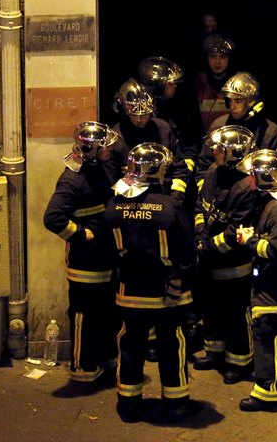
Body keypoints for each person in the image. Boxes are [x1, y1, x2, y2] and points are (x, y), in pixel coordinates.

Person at [102, 143, 198, 423]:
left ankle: (128, 406)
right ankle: (177, 404)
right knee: (173, 345)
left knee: (131, 346)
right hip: (168, 291)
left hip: (130, 290)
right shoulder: (170, 207)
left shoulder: (113, 206)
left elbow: (107, 250)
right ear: (159, 171)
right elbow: (187, 251)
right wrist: (183, 277)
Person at [42, 121, 120, 384]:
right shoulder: (71, 180)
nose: (111, 149)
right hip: (85, 263)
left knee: (107, 311)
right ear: (94, 151)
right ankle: (81, 367)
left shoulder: (101, 169)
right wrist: (81, 235)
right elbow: (52, 218)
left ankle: (107, 360)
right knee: (83, 314)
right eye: (105, 147)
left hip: (107, 257)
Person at [235, 149, 277, 412]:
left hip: (276, 288)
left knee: (268, 334)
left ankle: (267, 392)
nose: (249, 179)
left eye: (252, 174)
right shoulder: (273, 203)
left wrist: (248, 241)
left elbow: (276, 250)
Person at [192, 125, 257, 385]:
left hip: (234, 263)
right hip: (208, 257)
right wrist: (199, 235)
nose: (214, 151)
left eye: (220, 149)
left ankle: (240, 360)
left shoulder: (248, 185)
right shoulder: (212, 173)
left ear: (234, 153)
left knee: (236, 312)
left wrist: (208, 246)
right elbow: (201, 206)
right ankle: (215, 352)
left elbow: (237, 230)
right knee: (212, 307)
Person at [195, 72, 277, 189]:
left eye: (238, 101)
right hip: (221, 197)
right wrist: (206, 192)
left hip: (256, 199)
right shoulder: (219, 127)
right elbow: (203, 166)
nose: (232, 106)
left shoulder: (271, 132)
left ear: (252, 102)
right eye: (230, 101)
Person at [109, 78, 190, 202]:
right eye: (135, 115)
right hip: (130, 202)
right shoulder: (116, 137)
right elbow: (111, 177)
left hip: (164, 197)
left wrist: (176, 198)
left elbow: (179, 168)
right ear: (124, 111)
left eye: (145, 114)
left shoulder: (163, 129)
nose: (141, 119)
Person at [138, 56, 204, 180]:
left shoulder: (178, 109)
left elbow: (190, 142)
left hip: (175, 173)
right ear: (158, 86)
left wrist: (186, 168)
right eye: (170, 83)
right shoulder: (142, 114)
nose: (175, 86)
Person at [193, 34, 237, 132]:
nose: (218, 62)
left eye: (223, 57)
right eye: (213, 56)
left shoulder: (239, 82)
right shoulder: (197, 82)